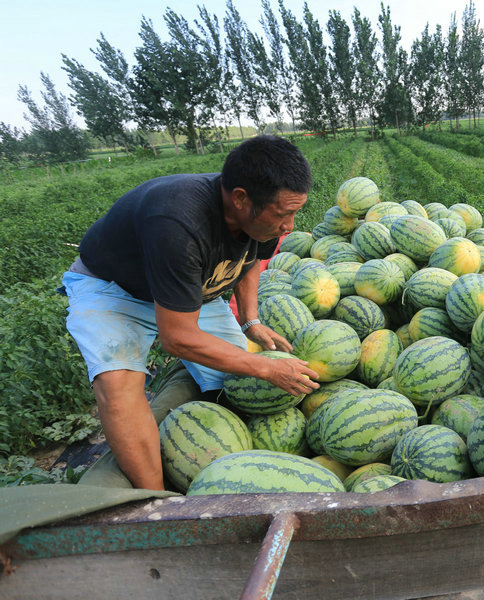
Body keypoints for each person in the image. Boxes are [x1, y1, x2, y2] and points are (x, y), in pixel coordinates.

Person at [61, 135, 320, 490]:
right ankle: (156, 502)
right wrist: (265, 365)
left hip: (189, 288)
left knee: (230, 385)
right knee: (118, 387)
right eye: (284, 214)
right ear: (241, 199)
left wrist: (251, 320)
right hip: (114, 288)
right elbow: (178, 338)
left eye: (295, 213)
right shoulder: (177, 222)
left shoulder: (260, 215)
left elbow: (250, 260)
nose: (290, 226)